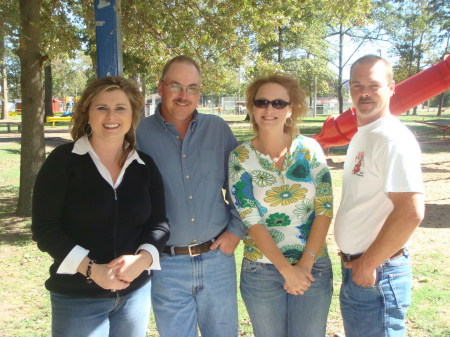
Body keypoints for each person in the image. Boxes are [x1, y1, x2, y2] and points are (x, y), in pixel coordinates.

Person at [32, 76, 170, 337]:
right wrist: (91, 270)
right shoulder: (63, 161)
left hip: (134, 295)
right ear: (87, 113)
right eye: (101, 107)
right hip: (78, 299)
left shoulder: (144, 166)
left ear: (132, 115)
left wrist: (143, 259)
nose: (111, 116)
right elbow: (45, 228)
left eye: (120, 108)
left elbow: (159, 223)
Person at [136, 56, 245, 337]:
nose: (184, 96)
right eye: (176, 86)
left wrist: (235, 231)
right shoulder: (138, 134)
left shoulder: (217, 129)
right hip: (166, 264)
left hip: (217, 259)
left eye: (192, 88)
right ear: (160, 87)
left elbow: (241, 186)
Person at [228, 74, 333, 337]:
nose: (269, 109)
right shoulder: (240, 156)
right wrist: (286, 270)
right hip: (261, 270)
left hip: (312, 265)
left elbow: (325, 208)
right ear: (252, 108)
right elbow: (250, 219)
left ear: (290, 109)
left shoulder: (309, 150)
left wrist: (304, 266)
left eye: (278, 103)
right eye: (261, 102)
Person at [334, 55, 425, 337]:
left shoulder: (392, 139)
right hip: (360, 269)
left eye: (374, 85)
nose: (364, 93)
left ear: (391, 87)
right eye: (357, 85)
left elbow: (411, 211)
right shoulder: (364, 135)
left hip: (376, 273)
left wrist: (367, 264)